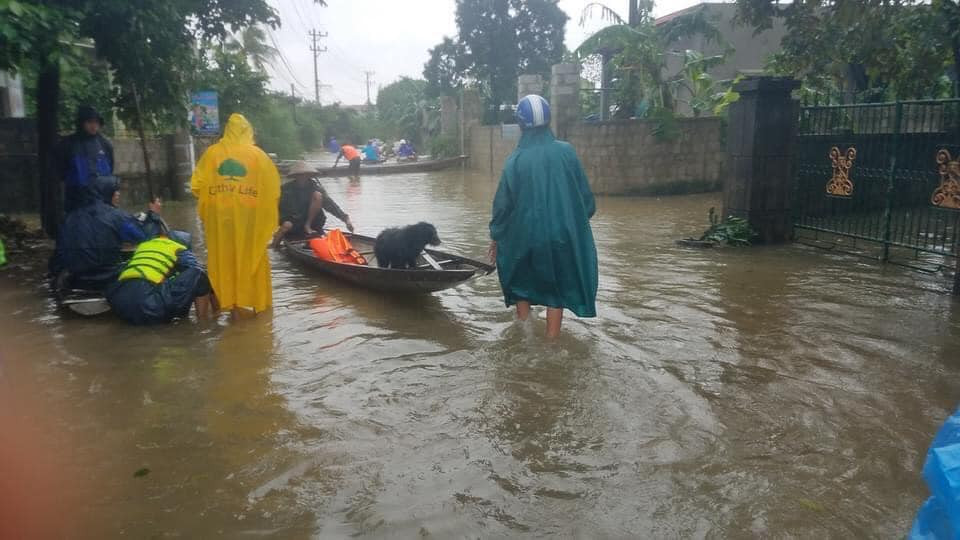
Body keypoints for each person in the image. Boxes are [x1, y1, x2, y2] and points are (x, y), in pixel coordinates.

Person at [488, 95, 599, 338]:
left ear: (520, 125)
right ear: (549, 120)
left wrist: (496, 237)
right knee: (556, 289)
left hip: (524, 239)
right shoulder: (567, 152)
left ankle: (526, 335)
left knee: (520, 282)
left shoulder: (514, 161)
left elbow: (502, 207)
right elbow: (585, 201)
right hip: (561, 237)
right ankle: (552, 344)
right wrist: (572, 225)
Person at [190, 113, 281, 315]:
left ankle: (232, 308)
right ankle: (257, 310)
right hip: (251, 221)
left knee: (225, 259)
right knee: (253, 257)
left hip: (220, 221)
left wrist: (221, 196)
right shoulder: (259, 156)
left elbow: (196, 186)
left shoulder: (212, 154)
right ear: (247, 130)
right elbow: (273, 191)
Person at [50, 175, 156, 291]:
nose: (118, 194)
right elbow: (144, 237)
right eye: (115, 191)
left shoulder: (70, 217)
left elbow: (59, 253)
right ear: (107, 192)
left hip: (76, 278)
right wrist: (153, 215)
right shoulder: (117, 216)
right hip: (108, 276)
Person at [105, 231, 218, 324]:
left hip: (119, 305)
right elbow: (197, 272)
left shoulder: (143, 247)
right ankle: (204, 322)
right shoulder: (179, 248)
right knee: (199, 275)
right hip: (150, 305)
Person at [272, 161, 355, 246]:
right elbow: (278, 207)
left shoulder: (316, 188)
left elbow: (331, 205)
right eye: (300, 175)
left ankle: (307, 226)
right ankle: (274, 247)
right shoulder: (286, 189)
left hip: (313, 222)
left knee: (318, 195)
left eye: (305, 174)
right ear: (295, 176)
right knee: (286, 225)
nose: (303, 177)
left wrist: (346, 219)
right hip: (294, 221)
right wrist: (282, 221)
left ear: (309, 175)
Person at [56, 105, 115, 213]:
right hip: (76, 202)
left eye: (96, 122)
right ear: (81, 123)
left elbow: (110, 170)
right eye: (89, 122)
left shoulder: (105, 144)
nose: (93, 126)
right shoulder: (68, 144)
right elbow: (60, 172)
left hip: (102, 202)